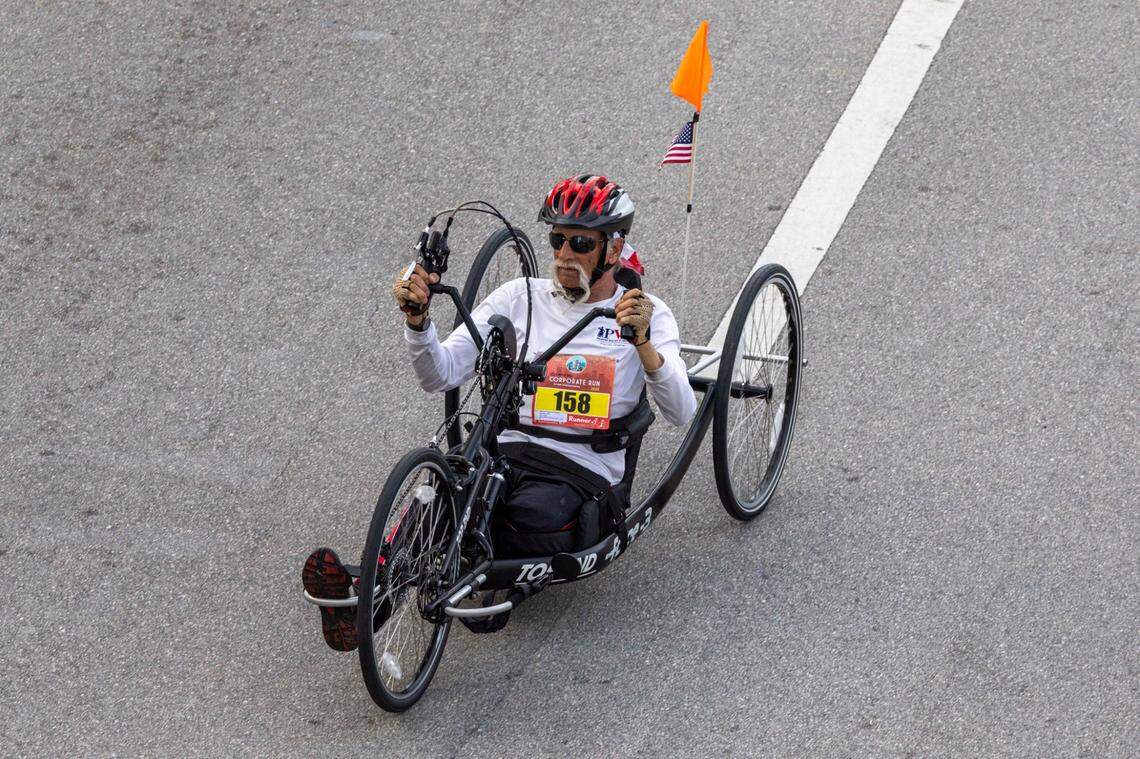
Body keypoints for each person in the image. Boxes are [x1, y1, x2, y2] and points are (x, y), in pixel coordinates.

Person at [302, 174, 697, 650]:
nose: (564, 255)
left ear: (613, 250)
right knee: (449, 490)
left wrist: (646, 346)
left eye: (579, 243)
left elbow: (680, 411)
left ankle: (487, 580)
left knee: (529, 517)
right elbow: (439, 374)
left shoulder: (645, 313)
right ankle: (370, 593)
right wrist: (417, 322)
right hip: (505, 451)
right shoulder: (519, 297)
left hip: (582, 471)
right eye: (556, 240)